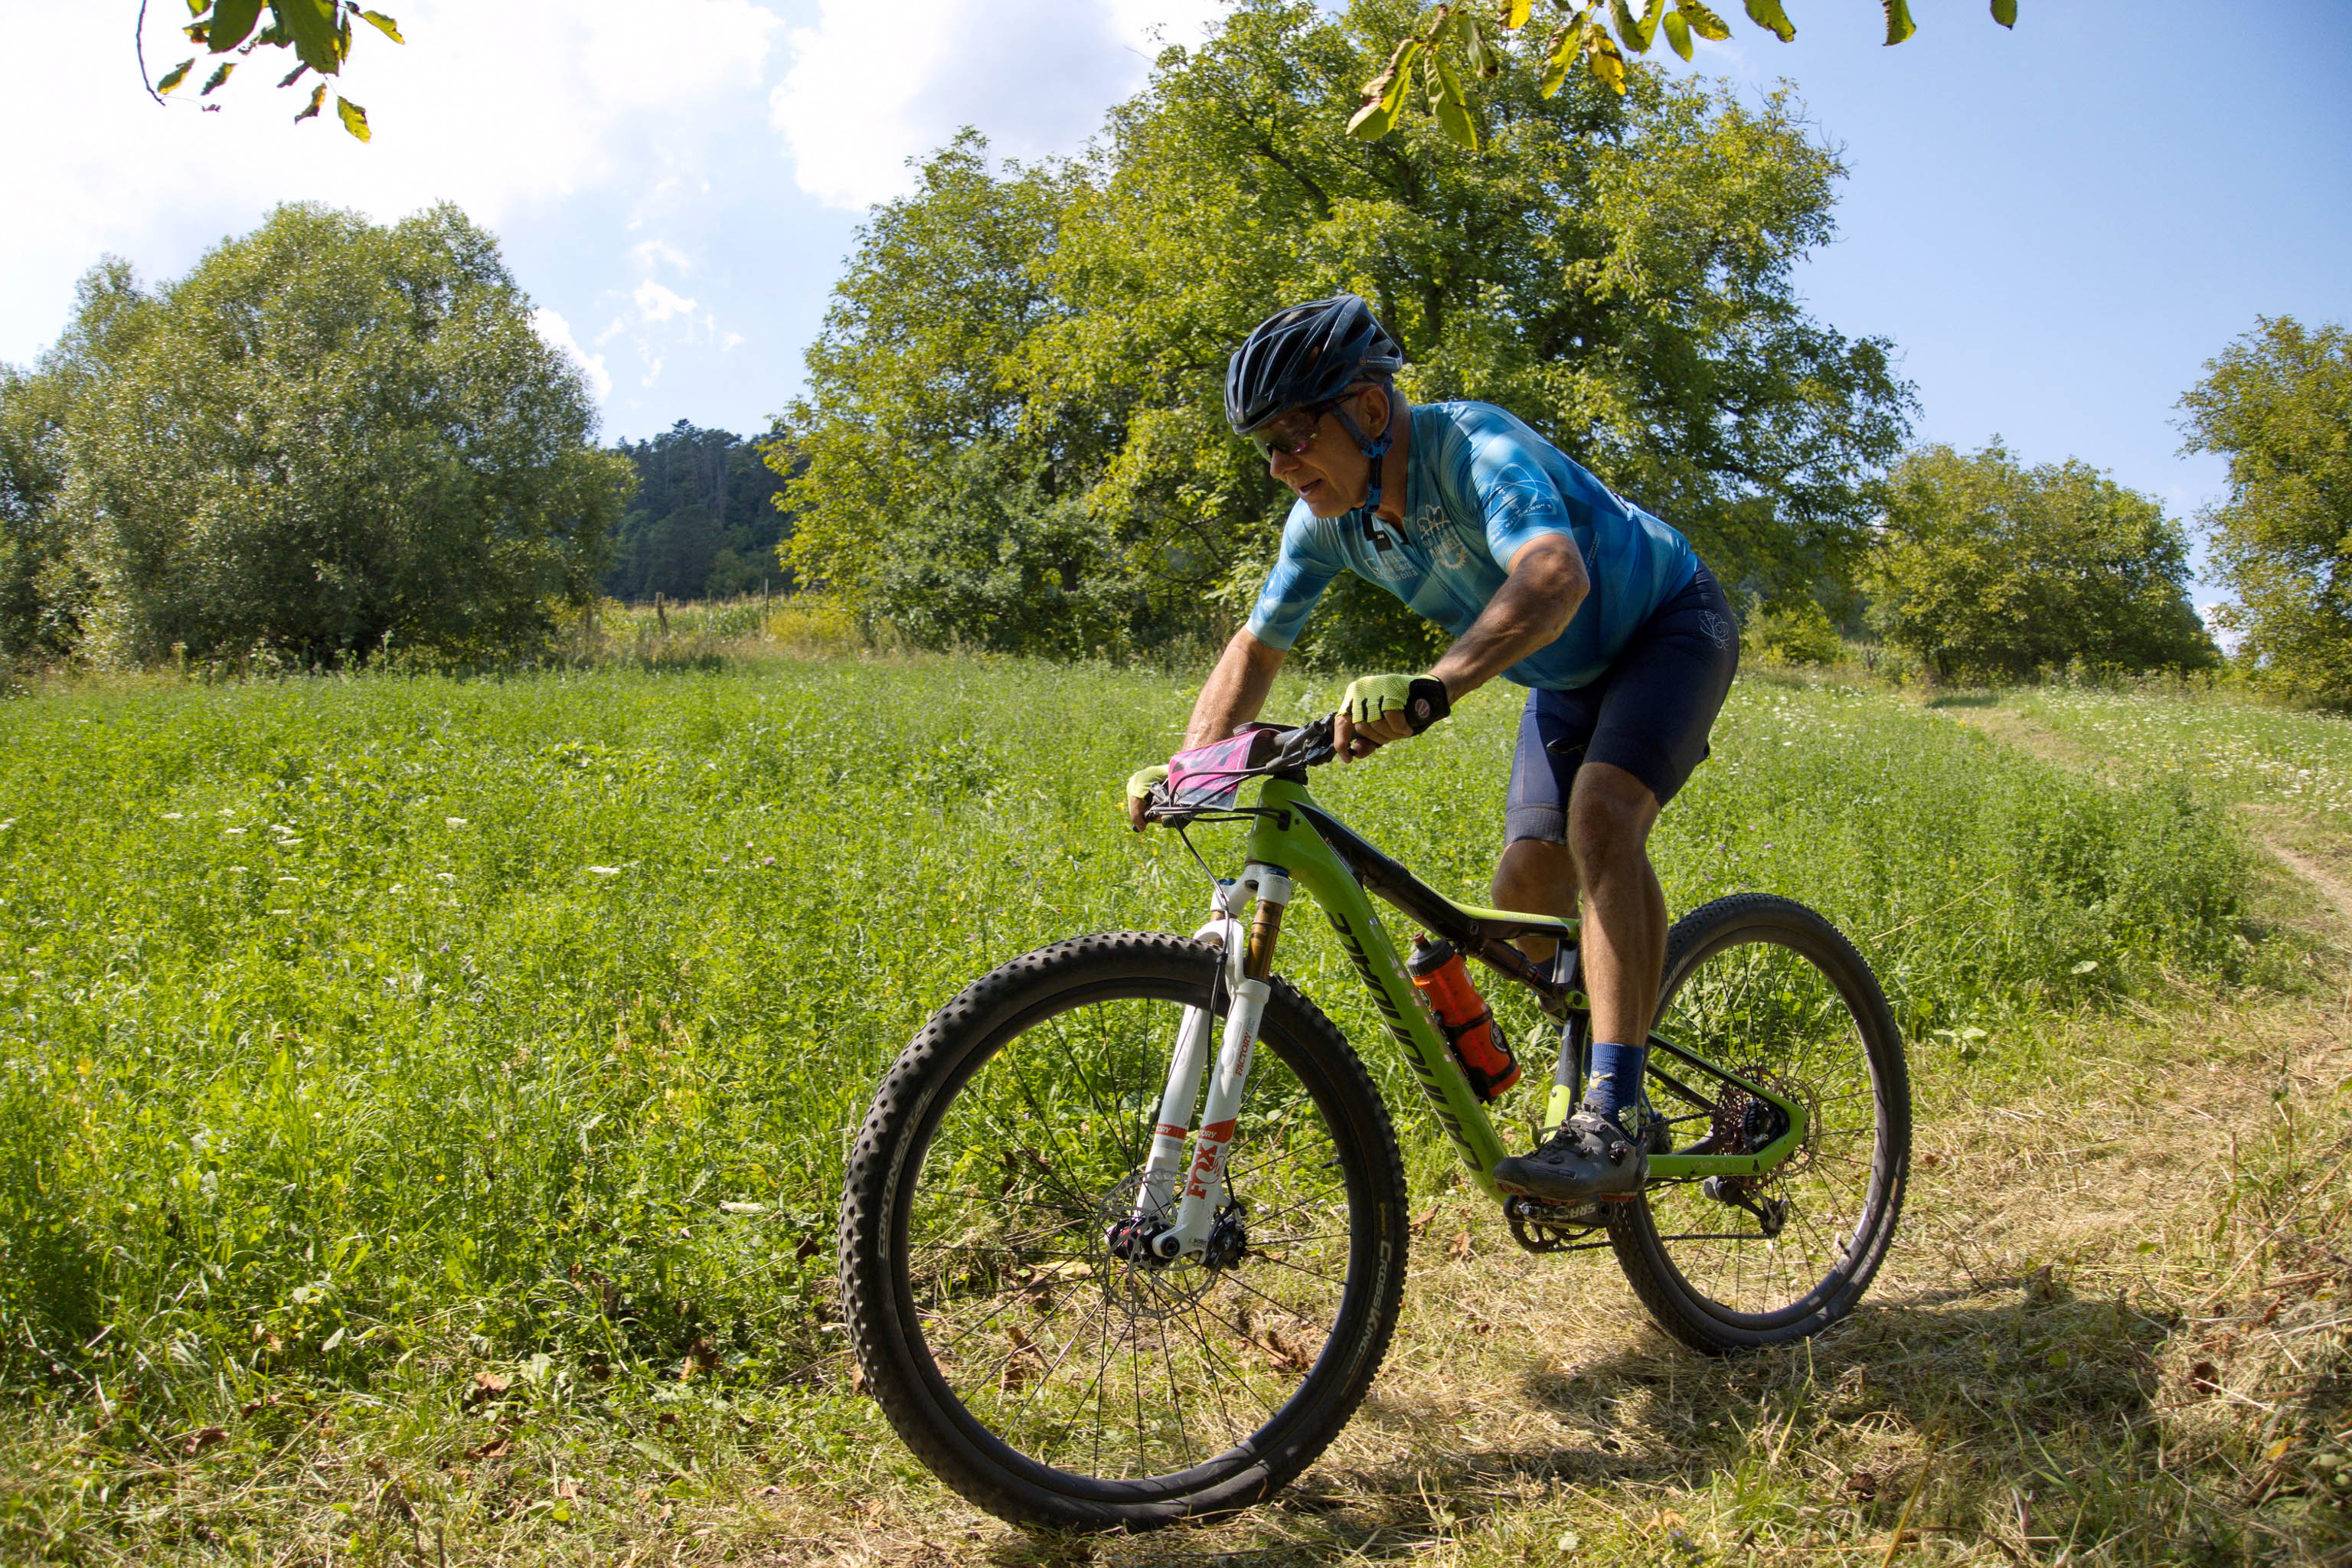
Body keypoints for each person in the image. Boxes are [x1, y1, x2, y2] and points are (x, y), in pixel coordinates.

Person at [1126, 293, 1740, 1204]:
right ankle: (1608, 1049)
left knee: (1602, 819)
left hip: (1668, 625)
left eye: (1294, 435)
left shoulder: (1477, 448)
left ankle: (1614, 1110)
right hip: (1564, 673)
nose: (1279, 465)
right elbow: (1256, 646)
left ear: (1371, 410)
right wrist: (1187, 768)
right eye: (1265, 446)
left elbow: (1554, 575)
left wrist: (1433, 685)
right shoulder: (1326, 520)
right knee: (1524, 893)